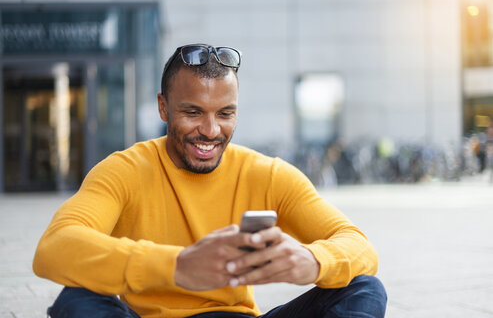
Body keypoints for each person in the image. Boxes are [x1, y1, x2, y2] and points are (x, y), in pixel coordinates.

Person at [33, 43, 387, 318]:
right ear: (163, 108)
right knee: (77, 299)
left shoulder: (267, 174)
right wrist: (177, 266)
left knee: (363, 289)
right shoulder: (124, 169)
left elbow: (359, 246)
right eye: (192, 112)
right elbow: (56, 247)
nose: (211, 130)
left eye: (225, 113)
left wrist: (312, 260)